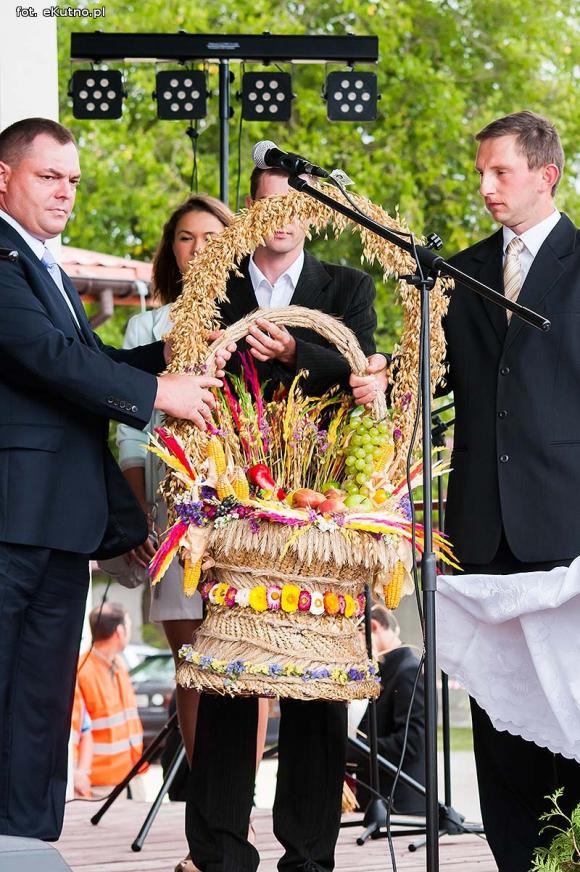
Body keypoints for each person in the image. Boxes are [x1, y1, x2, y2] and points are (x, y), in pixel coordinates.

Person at [352, 110, 580, 872]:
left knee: (571, 717)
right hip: (480, 533)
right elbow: (433, 380)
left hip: (568, 531)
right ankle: (516, 862)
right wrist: (387, 377)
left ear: (545, 175)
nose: (484, 185)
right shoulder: (463, 271)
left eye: (501, 171)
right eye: (480, 171)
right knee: (500, 720)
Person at [0, 117, 233, 842]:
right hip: (9, 516)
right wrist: (162, 396)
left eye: (72, 179)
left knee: (39, 699)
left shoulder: (48, 266)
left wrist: (180, 351)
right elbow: (49, 358)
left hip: (58, 522)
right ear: (3, 177)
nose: (65, 192)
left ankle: (29, 844)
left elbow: (92, 355)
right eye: (48, 176)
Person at [186, 166, 382, 872]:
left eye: (299, 207)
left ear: (317, 215)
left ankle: (309, 853)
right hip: (237, 494)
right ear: (249, 212)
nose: (284, 218)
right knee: (230, 668)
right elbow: (190, 363)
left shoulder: (349, 288)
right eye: (271, 205)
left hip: (322, 500)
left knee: (319, 674)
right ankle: (218, 850)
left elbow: (363, 372)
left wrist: (300, 353)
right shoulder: (220, 283)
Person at [349, 603, 425, 815]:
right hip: (381, 800)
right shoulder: (387, 670)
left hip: (400, 805)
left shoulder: (407, 671)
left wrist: (353, 750)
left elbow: (412, 742)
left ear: (373, 627)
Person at [73, 603, 147, 798]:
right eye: (129, 627)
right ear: (120, 632)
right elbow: (73, 731)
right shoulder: (82, 671)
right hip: (100, 786)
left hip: (131, 777)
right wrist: (78, 774)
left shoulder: (118, 666)